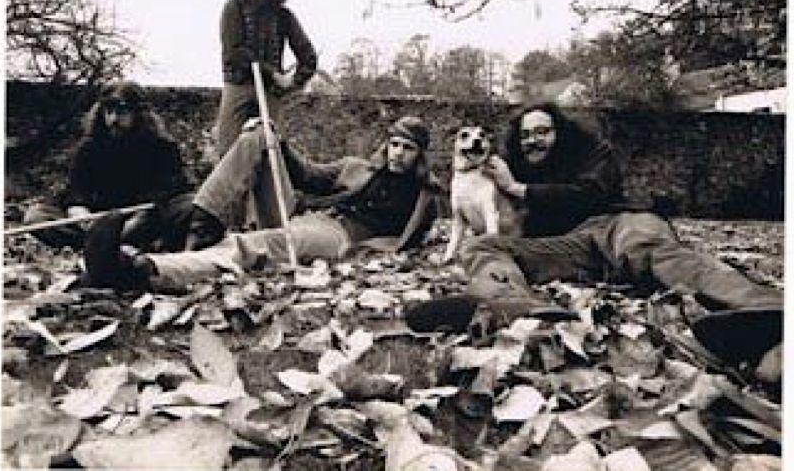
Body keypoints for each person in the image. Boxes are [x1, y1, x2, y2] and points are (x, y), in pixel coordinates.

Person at [411, 102, 783, 382]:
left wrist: (518, 188)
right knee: (481, 246)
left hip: (616, 224)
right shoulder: (513, 167)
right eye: (525, 136)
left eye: (542, 131)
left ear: (561, 133)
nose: (533, 141)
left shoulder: (592, 153)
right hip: (569, 246)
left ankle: (767, 309)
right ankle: (515, 306)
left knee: (653, 253)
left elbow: (590, 194)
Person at [81, 116, 439, 293]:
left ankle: (143, 268)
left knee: (250, 245)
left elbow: (412, 239)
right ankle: (201, 222)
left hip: (338, 237)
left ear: (420, 156)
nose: (398, 154)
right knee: (257, 135)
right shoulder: (356, 167)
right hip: (301, 215)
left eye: (408, 148)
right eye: (394, 144)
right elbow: (306, 175)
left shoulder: (424, 197)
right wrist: (277, 139)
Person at [22, 82, 193, 251]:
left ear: (139, 114)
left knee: (189, 206)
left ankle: (115, 243)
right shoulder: (89, 147)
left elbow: (170, 190)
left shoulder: (162, 147)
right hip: (97, 219)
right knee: (36, 216)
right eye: (109, 111)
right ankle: (98, 243)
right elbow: (77, 189)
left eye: (122, 112)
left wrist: (140, 218)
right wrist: (79, 211)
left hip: (142, 218)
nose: (113, 119)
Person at [217, 0, 318, 158]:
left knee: (270, 151)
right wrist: (273, 73)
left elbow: (308, 56)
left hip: (270, 92)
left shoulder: (284, 17)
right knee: (228, 151)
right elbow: (234, 52)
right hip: (238, 87)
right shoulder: (234, 7)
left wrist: (292, 83)